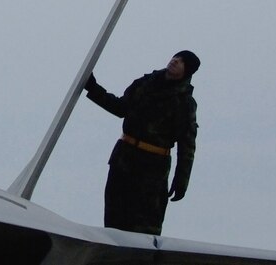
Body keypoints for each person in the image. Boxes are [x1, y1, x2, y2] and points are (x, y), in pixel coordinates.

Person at [84, 51, 200, 235]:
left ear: (188, 71)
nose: (175, 61)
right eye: (176, 57)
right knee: (114, 222)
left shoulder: (185, 103)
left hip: (152, 170)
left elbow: (187, 145)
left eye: (182, 61)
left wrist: (181, 181)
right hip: (123, 161)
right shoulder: (146, 83)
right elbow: (121, 107)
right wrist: (92, 87)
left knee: (145, 227)